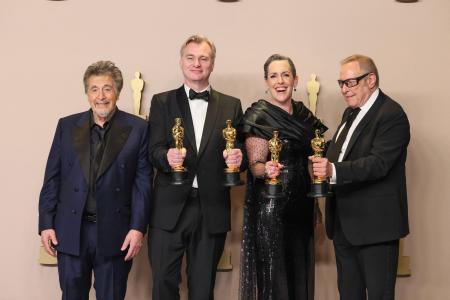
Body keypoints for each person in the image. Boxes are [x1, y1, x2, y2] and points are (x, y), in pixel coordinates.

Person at [38, 60, 152, 299]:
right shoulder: (66, 126)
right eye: (94, 89)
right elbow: (52, 178)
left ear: (118, 92)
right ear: (87, 93)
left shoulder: (138, 129)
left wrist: (138, 228)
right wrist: (47, 223)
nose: (101, 96)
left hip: (116, 232)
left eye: (107, 88)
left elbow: (142, 184)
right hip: (70, 230)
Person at [147, 34, 245, 300]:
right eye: (190, 58)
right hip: (168, 210)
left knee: (203, 290)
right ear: (181, 62)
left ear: (212, 64)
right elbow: (152, 151)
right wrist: (166, 157)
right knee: (162, 287)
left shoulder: (231, 105)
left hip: (211, 209)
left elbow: (241, 153)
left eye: (204, 58)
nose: (197, 64)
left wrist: (240, 158)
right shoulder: (161, 102)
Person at [310, 54, 410, 300]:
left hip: (376, 228)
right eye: (341, 83)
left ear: (371, 80)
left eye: (351, 82)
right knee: (349, 295)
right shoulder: (350, 113)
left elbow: (379, 164)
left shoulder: (392, 114)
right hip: (345, 226)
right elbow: (340, 152)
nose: (344, 89)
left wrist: (333, 170)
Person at [240, 54, 327, 300]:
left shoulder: (305, 116)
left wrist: (317, 208)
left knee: (300, 275)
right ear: (266, 81)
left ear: (295, 79)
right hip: (270, 208)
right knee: (274, 278)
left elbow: (313, 161)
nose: (280, 81)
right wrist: (265, 169)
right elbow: (255, 166)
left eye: (285, 75)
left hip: (302, 207)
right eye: (274, 76)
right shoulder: (259, 115)